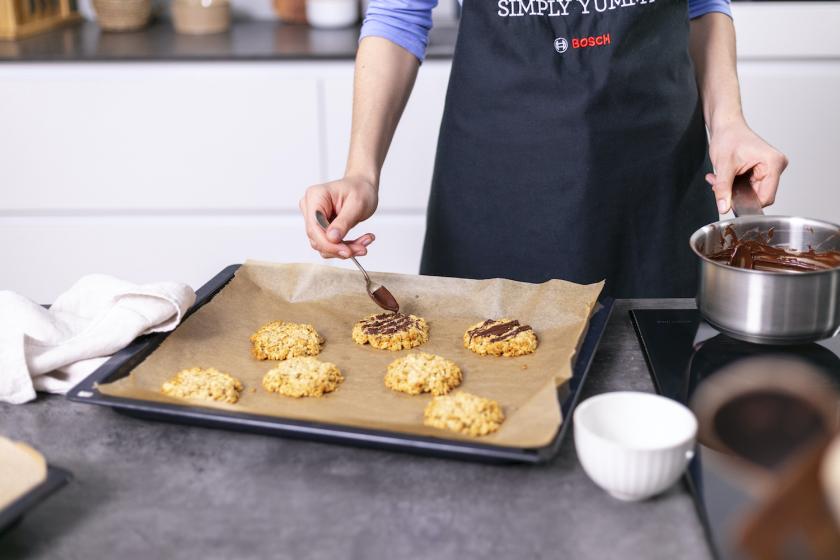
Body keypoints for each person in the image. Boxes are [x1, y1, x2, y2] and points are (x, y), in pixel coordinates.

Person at [299, 0, 788, 297]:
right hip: (499, 183)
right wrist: (361, 171)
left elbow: (700, 5)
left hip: (653, 184)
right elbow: (399, 14)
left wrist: (728, 123)